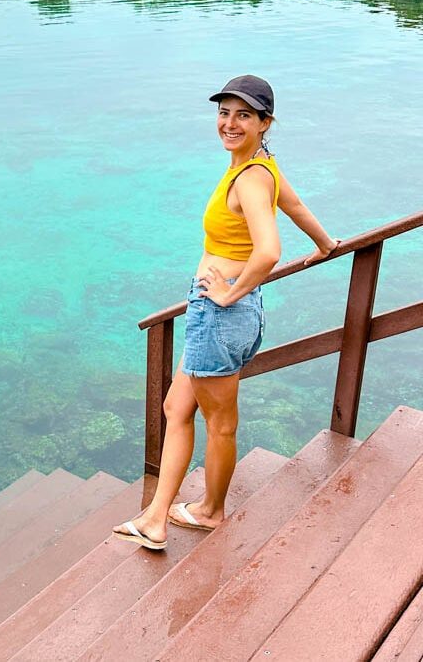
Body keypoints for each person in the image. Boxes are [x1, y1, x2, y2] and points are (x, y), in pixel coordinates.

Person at [112, 74, 339, 550]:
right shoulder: (260, 166)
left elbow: (270, 250)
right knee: (178, 407)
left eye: (243, 115)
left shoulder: (252, 179)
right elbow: (293, 204)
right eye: (224, 112)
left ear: (265, 122)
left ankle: (207, 512)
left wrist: (227, 294)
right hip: (218, 313)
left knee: (219, 423)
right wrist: (325, 244)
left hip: (220, 315)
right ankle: (158, 516)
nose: (229, 123)